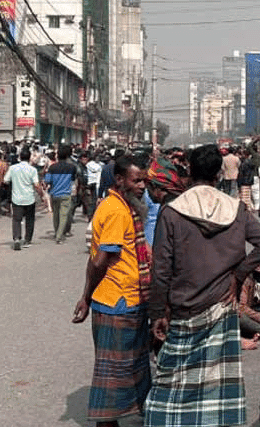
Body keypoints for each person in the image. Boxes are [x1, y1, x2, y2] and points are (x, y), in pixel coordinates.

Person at [145, 144, 260, 427]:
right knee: (216, 386)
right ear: (219, 173)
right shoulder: (236, 209)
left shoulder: (173, 211)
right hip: (221, 308)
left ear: (189, 169)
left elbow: (161, 269)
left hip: (182, 308)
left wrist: (157, 312)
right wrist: (237, 275)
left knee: (173, 383)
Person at [71, 154, 152, 427]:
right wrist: (86, 296)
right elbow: (100, 260)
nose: (142, 186)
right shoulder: (117, 211)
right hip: (117, 303)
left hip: (128, 300)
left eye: (144, 180)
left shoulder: (121, 205)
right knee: (112, 377)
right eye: (136, 180)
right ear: (119, 180)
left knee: (129, 370)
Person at [4, 147, 44, 250]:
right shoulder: (32, 169)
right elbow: (36, 185)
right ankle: (27, 240)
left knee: (16, 219)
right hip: (29, 198)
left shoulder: (13, 168)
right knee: (30, 220)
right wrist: (41, 194)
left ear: (20, 157)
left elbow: (5, 180)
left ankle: (17, 238)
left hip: (16, 198)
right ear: (29, 157)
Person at [44, 144, 78, 244]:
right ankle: (59, 236)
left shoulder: (52, 167)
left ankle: (57, 232)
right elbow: (73, 180)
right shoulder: (72, 167)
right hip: (66, 194)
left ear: (57, 155)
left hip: (54, 194)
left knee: (56, 215)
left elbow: (48, 181)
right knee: (64, 215)